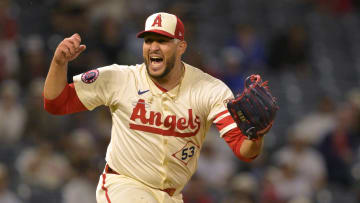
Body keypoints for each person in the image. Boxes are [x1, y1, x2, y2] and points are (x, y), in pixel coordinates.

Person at [43, 12, 268, 203]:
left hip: (172, 196)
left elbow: (243, 150)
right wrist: (59, 63)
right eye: (148, 40)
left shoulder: (209, 90)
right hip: (124, 186)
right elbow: (56, 103)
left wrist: (256, 135)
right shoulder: (120, 78)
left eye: (162, 41)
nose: (153, 47)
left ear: (181, 47)